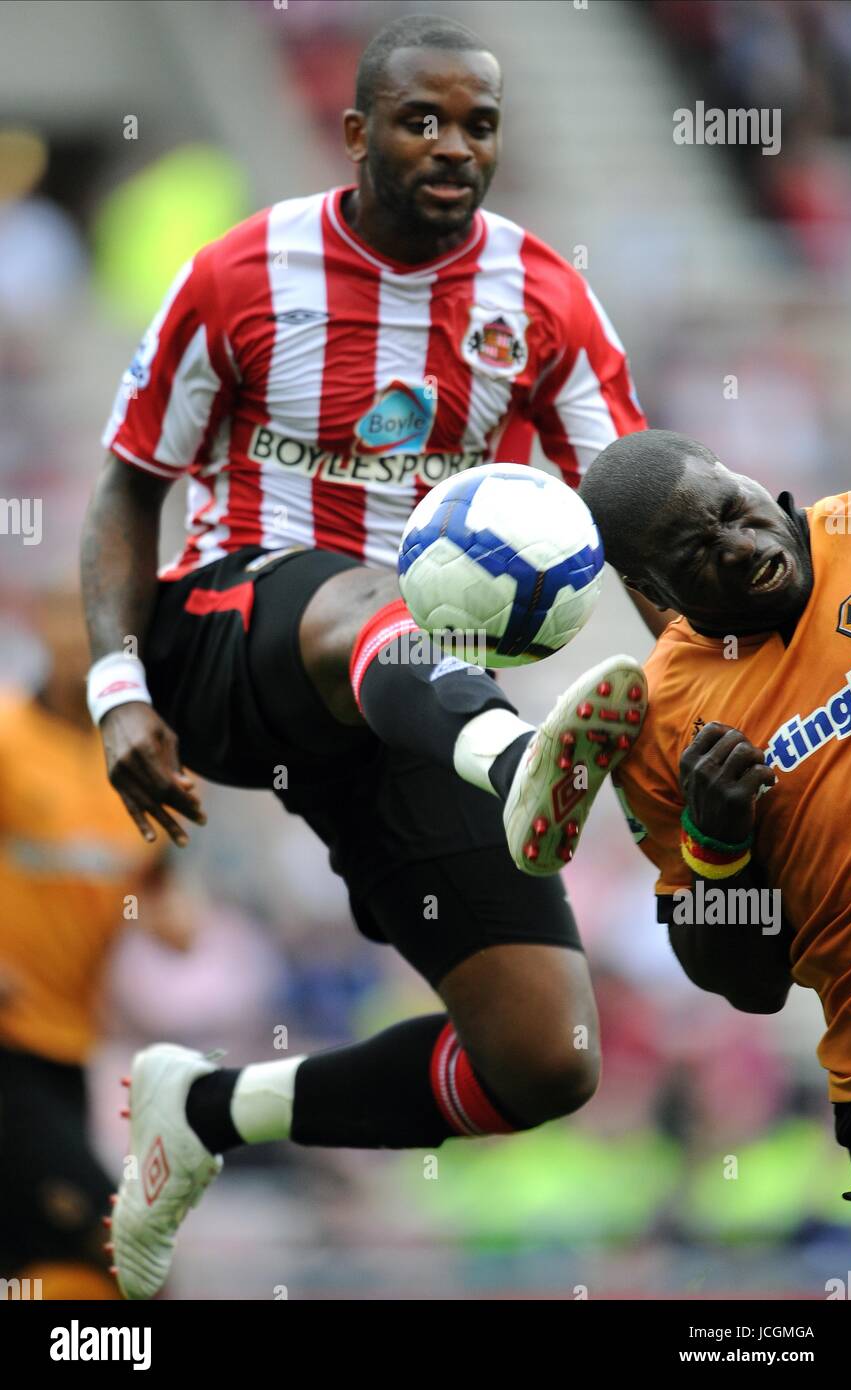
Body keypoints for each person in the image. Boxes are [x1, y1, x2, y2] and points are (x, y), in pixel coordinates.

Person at [82, 15, 651, 1299]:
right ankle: (516, 760)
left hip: (409, 703)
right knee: (366, 597)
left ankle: (210, 1111)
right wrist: (116, 689)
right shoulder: (241, 272)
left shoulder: (540, 294)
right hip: (235, 642)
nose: (455, 148)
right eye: (422, 120)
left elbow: (630, 491)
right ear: (356, 133)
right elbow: (127, 489)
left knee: (545, 1059)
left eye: (481, 125)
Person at [579, 427, 851, 1294]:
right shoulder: (662, 722)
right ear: (652, 591)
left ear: (748, 479)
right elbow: (747, 984)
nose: (742, 549)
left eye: (733, 512)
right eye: (698, 553)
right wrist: (718, 848)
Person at [0, 591, 187, 1300]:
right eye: (63, 621)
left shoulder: (133, 760)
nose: (80, 643)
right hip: (7, 1049)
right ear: (38, 627)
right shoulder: (9, 739)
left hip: (67, 1044)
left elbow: (159, 880)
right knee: (134, 1261)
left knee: (37, 1269)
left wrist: (171, 914)